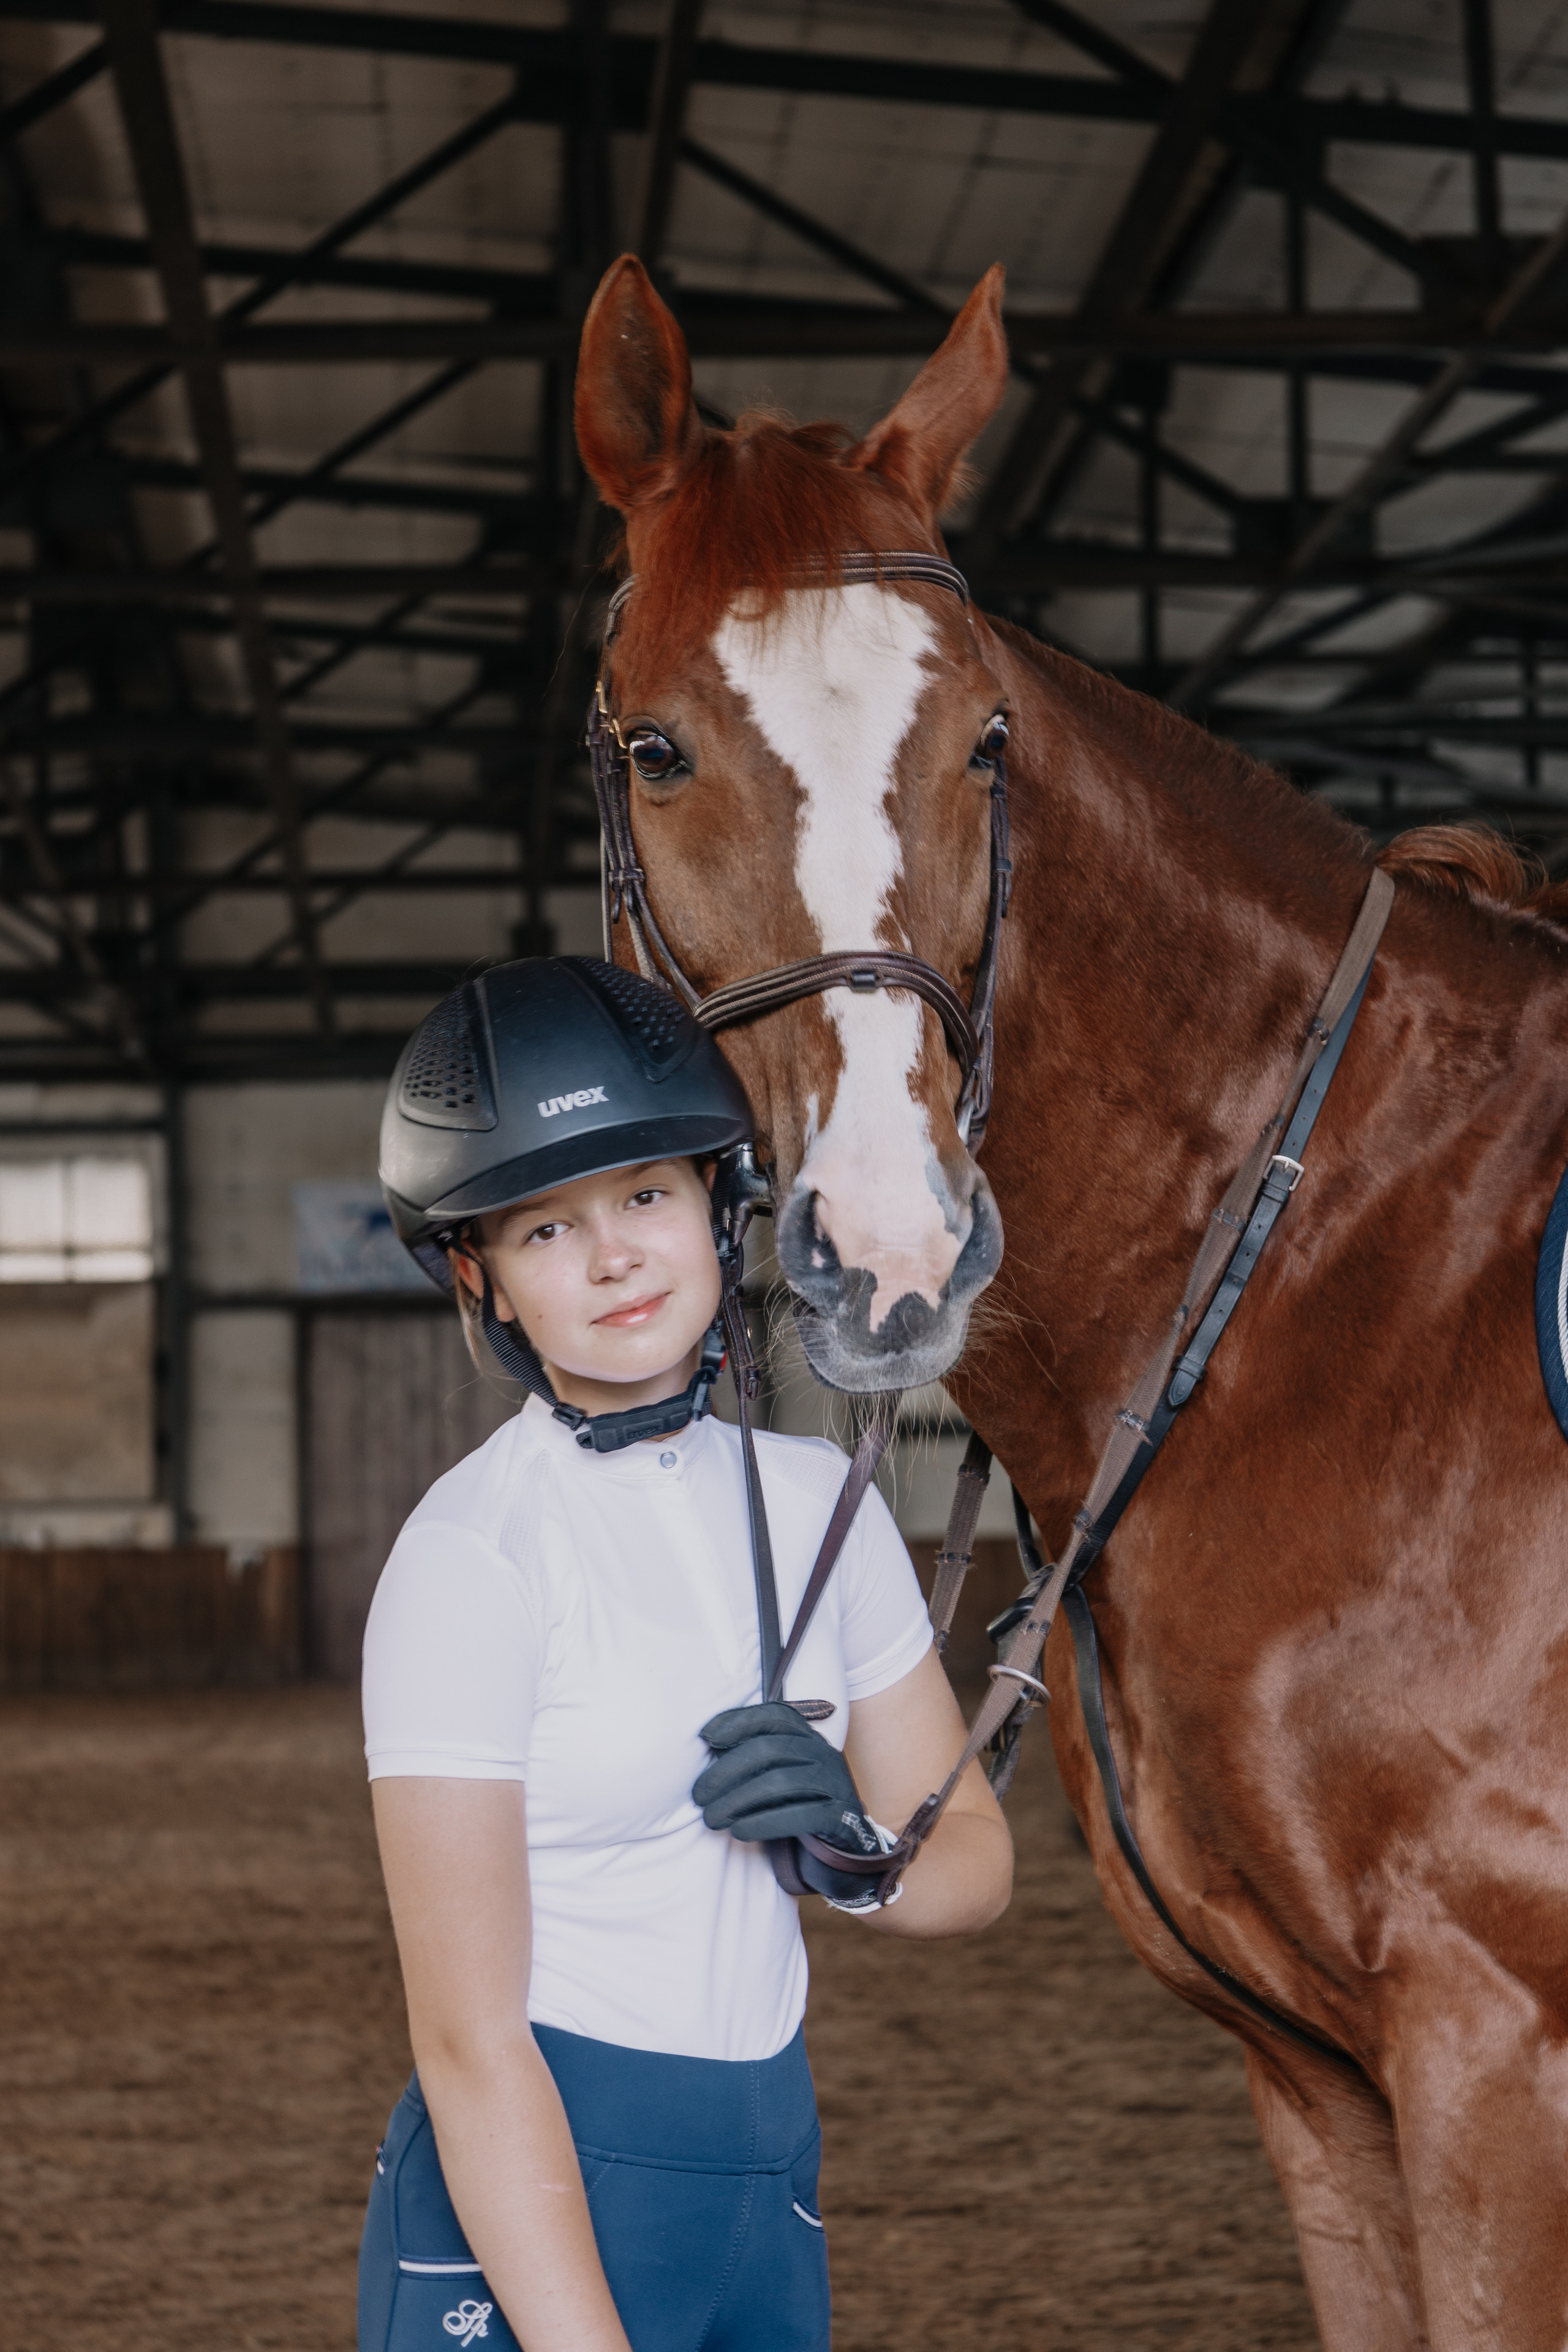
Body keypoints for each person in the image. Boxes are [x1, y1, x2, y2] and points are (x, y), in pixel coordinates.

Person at [361, 954, 1012, 2352]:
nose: (610, 1256)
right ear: (480, 1278)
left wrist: (852, 1856)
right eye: (544, 1230)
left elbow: (971, 1867)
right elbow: (469, 2043)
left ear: (717, 1211)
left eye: (645, 1196)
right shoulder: (472, 1558)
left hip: (765, 2176)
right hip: (544, 2186)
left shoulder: (817, 1504)